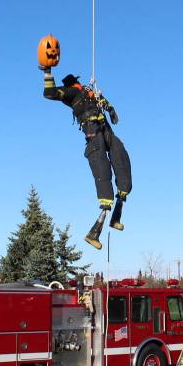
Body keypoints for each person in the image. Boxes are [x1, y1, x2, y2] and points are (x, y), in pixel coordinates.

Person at [42, 68, 132, 248]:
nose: (81, 84)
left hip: (106, 131)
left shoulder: (89, 93)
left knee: (121, 159)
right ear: (73, 84)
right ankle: (95, 230)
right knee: (103, 171)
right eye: (77, 82)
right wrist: (47, 72)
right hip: (93, 133)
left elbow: (100, 101)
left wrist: (110, 108)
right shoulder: (72, 92)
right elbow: (50, 93)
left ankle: (117, 215)